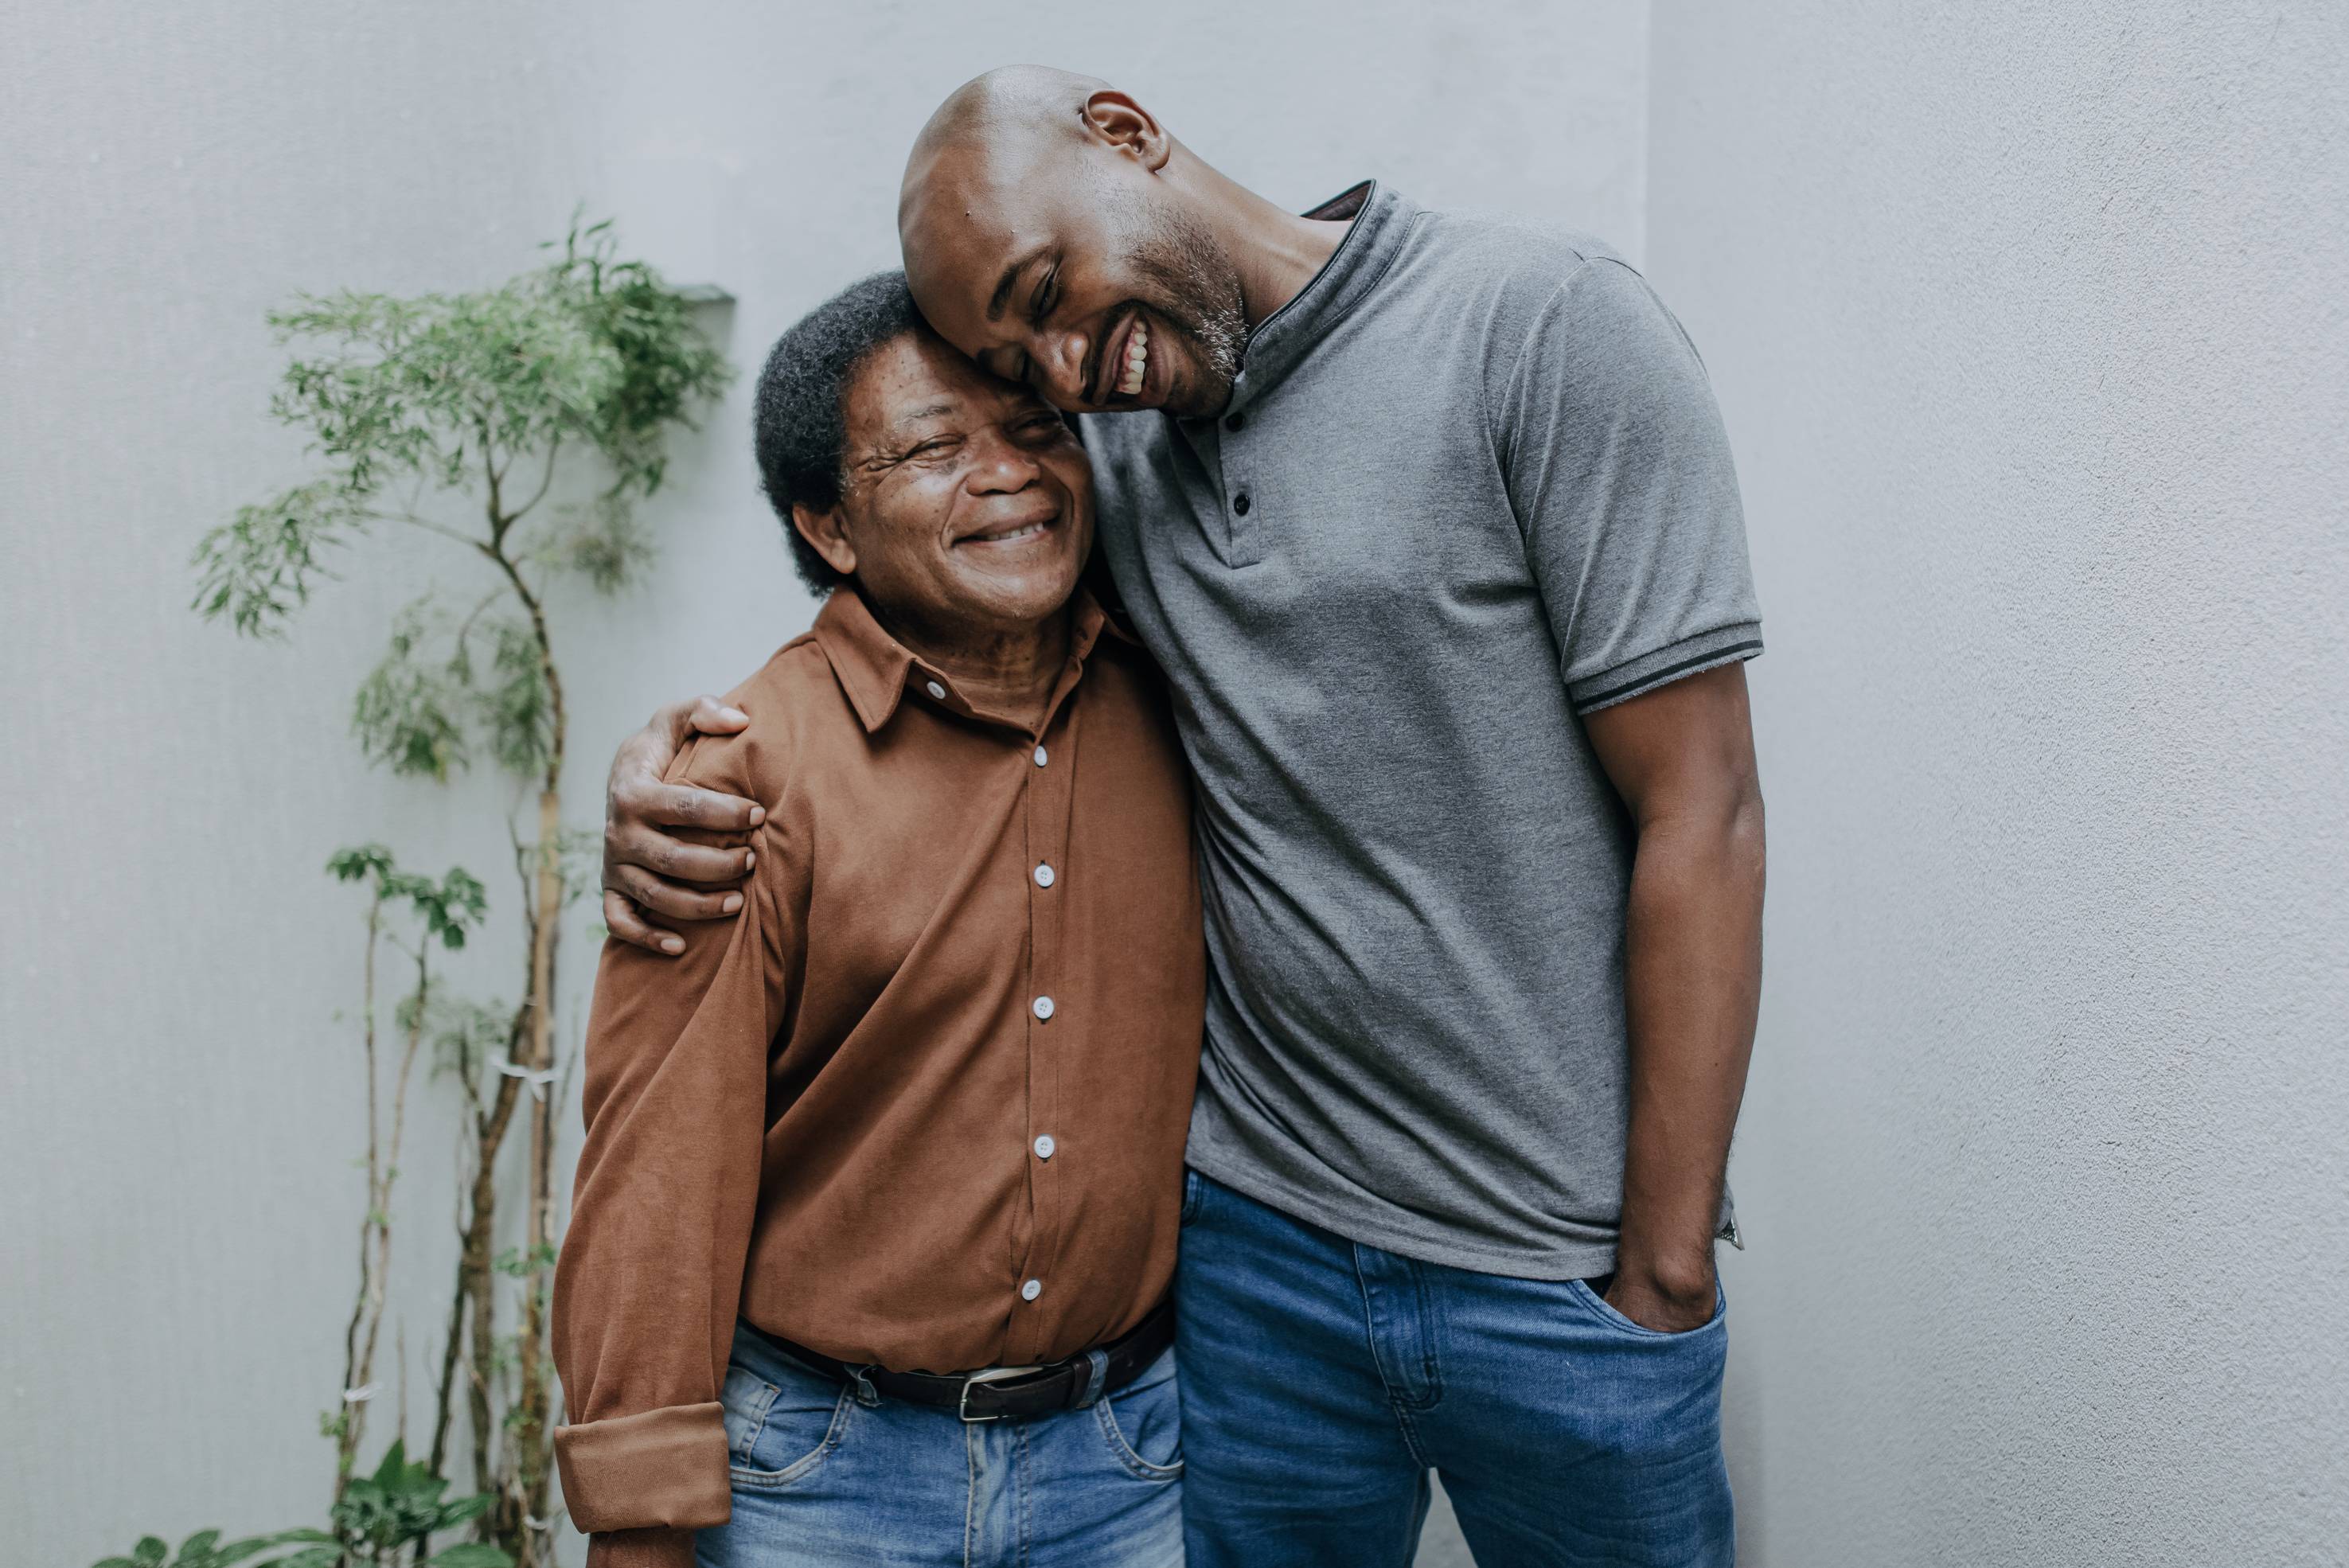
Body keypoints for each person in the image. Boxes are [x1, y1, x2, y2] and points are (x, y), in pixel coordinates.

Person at [604, 66, 1767, 1568]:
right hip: (1257, 1267)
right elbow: (922, 607)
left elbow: (1705, 809)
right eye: (1018, 363)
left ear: (1125, 132)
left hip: (1555, 1271)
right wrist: (676, 765)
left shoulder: (1537, 326)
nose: (1064, 374)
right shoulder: (1107, 452)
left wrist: (1663, 1274)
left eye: (1047, 296)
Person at [552, 271, 1202, 1568]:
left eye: (1035, 429)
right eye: (932, 449)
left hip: (1129, 1467)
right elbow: (656, 1182)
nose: (1008, 475)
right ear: (830, 526)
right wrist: (640, 1523)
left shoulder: (1186, 695)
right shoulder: (740, 779)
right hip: (822, 1482)